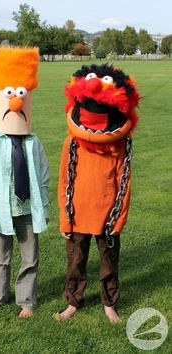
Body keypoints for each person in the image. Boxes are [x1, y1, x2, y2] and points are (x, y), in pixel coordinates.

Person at [55, 63, 140, 322]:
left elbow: (124, 182)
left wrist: (119, 218)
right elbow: (64, 180)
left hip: (107, 215)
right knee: (76, 261)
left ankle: (108, 303)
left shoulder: (122, 145)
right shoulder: (72, 143)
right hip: (78, 212)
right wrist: (65, 218)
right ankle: (73, 301)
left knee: (109, 262)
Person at [0, 46, 49, 318]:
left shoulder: (33, 142)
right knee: (1, 257)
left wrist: (45, 208)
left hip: (28, 210)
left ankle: (26, 301)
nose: (16, 103)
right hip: (1, 209)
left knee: (30, 257)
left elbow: (42, 176)